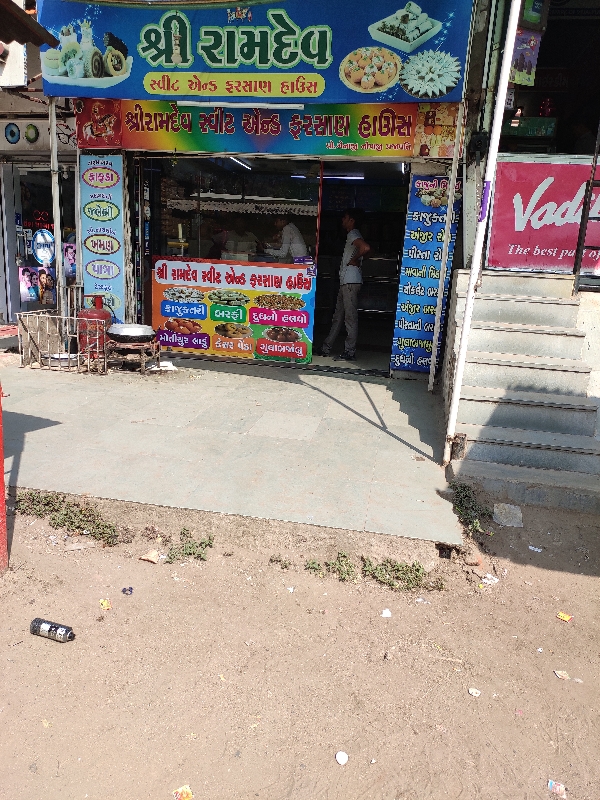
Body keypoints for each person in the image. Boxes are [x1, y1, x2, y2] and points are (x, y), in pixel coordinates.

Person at [319, 209, 370, 362]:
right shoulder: (354, 234)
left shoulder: (353, 233)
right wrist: (357, 259)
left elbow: (365, 248)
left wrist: (355, 259)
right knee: (338, 316)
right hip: (347, 281)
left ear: (352, 220)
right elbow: (368, 251)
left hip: (350, 282)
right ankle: (326, 347)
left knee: (349, 317)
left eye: (345, 217)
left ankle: (350, 351)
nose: (343, 220)